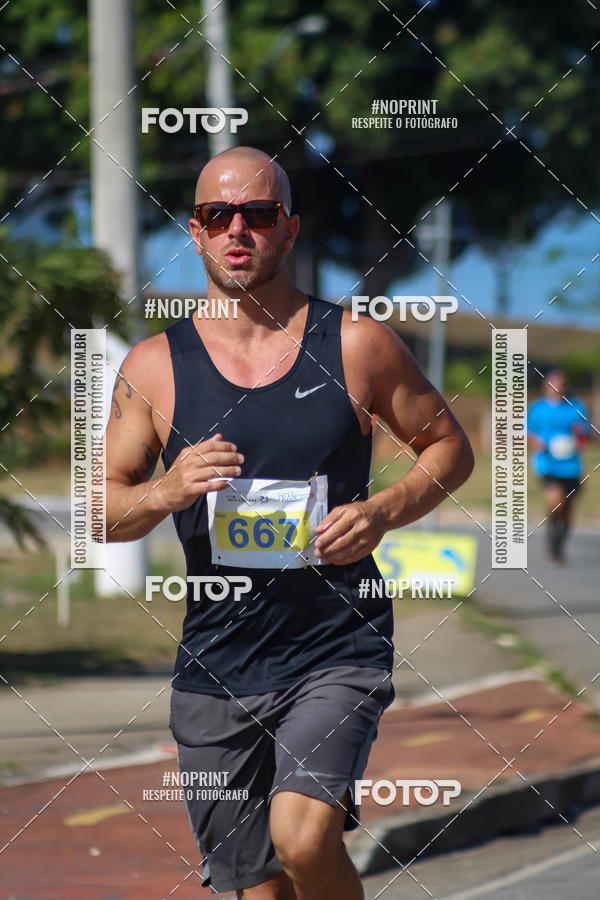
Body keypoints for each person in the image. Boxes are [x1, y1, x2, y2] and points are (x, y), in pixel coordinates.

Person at [104, 146, 474, 899]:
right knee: (259, 887)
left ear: (290, 228)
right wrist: (167, 489)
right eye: (218, 215)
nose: (238, 229)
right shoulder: (153, 368)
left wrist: (380, 511)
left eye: (258, 213)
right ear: (196, 231)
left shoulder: (356, 344)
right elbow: (104, 511)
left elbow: (448, 447)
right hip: (216, 664)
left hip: (337, 646)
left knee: (304, 840)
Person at [527, 368, 590, 563]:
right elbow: (526, 434)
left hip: (571, 466)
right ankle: (551, 541)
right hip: (547, 464)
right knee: (556, 501)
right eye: (553, 385)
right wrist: (535, 443)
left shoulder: (576, 407)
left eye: (561, 385)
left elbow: (587, 433)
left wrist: (579, 440)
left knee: (568, 509)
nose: (557, 389)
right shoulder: (537, 408)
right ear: (546, 386)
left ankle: (559, 545)